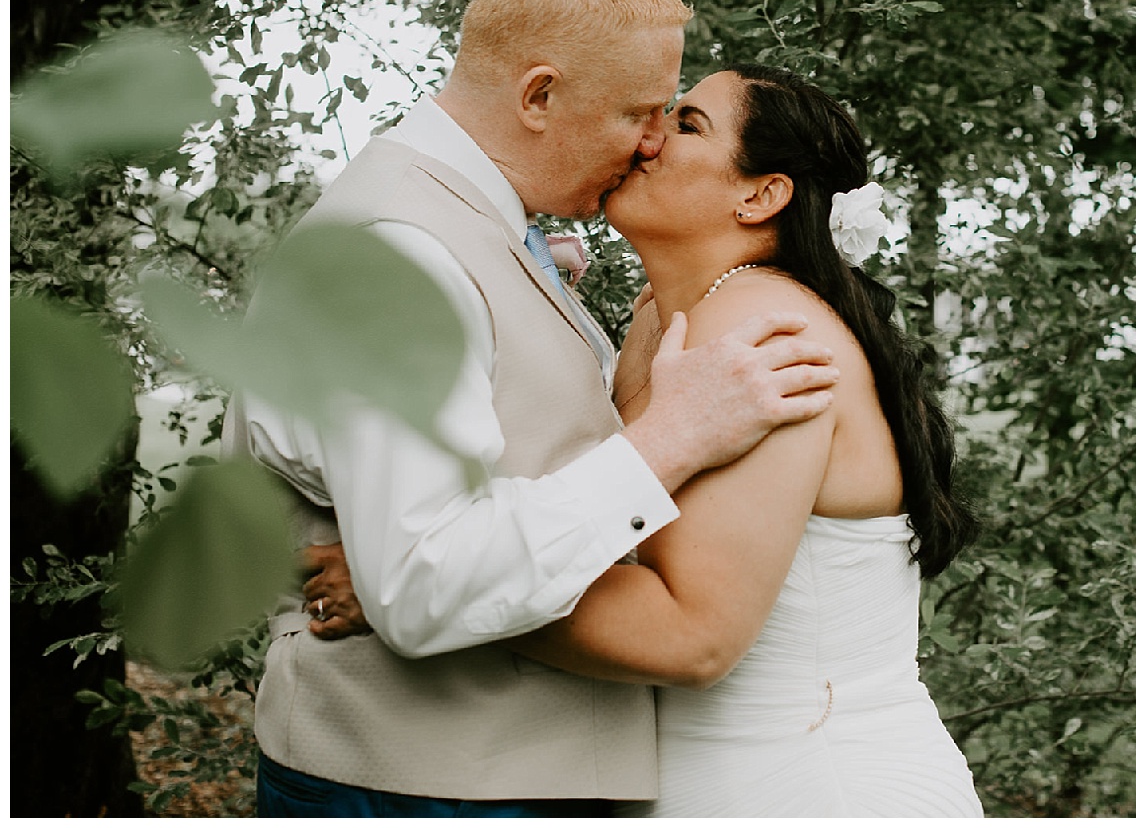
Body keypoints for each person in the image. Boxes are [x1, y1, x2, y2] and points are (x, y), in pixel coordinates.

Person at [230, 0, 840, 818]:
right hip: (429, 789)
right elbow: (426, 581)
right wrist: (673, 435)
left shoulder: (471, 226)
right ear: (540, 95)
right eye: (641, 113)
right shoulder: (408, 258)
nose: (650, 145)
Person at [304, 64, 983, 818]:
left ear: (761, 195)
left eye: (688, 124)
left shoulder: (761, 330)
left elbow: (688, 633)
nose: (650, 137)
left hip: (801, 785)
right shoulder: (664, 318)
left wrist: (428, 582)